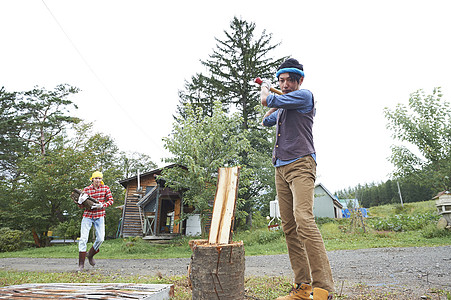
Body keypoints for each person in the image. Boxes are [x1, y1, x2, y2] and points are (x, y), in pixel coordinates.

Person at [260, 58, 334, 300]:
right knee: (289, 226)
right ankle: (302, 288)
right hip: (280, 167)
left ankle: (323, 289)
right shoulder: (285, 105)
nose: (284, 84)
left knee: (304, 219)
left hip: (301, 163)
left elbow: (265, 100)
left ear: (299, 81)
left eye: (288, 80)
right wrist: (279, 99)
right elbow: (266, 119)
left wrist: (268, 90)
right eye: (280, 81)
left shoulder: (305, 97)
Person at [77, 171, 114, 271]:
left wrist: (102, 205)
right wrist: (80, 201)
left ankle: (90, 255)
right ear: (92, 179)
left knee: (101, 238)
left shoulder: (105, 188)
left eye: (99, 178)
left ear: (101, 180)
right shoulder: (87, 189)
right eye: (96, 178)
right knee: (83, 239)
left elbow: (111, 200)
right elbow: (81, 206)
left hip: (100, 215)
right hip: (88, 216)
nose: (98, 180)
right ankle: (81, 265)